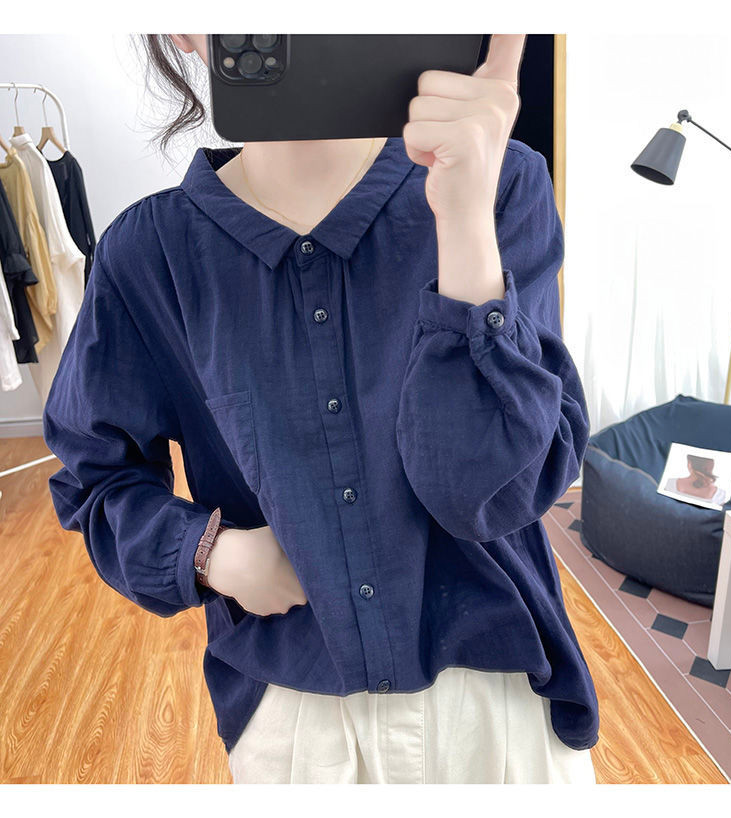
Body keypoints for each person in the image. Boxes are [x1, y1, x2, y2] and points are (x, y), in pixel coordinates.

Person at [42, 33, 599, 784]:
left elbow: (492, 494)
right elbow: (95, 478)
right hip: (293, 718)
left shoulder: (502, 185)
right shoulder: (149, 254)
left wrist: (464, 223)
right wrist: (210, 553)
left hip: (498, 703)